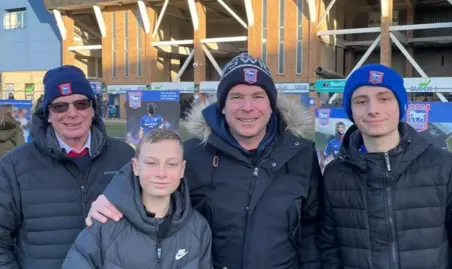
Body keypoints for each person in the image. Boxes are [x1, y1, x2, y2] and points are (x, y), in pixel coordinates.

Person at [86, 53, 322, 269]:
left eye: (258, 96)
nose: (247, 107)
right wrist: (110, 197)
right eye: (236, 97)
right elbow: (145, 174)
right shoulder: (193, 153)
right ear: (222, 106)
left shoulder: (301, 153)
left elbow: (312, 230)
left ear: (271, 105)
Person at [318, 63, 452, 268]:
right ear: (351, 110)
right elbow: (328, 249)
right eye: (361, 101)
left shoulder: (445, 168)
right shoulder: (335, 175)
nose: (373, 109)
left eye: (384, 98)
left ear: (401, 105)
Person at [0, 65, 135, 269]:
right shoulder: (15, 165)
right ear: (48, 113)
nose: (72, 113)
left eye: (81, 104)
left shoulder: (124, 156)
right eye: (60, 106)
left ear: (92, 109)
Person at [62, 128, 212, 269]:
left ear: (182, 169)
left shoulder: (198, 227)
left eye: (172, 164)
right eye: (151, 163)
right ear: (135, 166)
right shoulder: (105, 224)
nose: (161, 173)